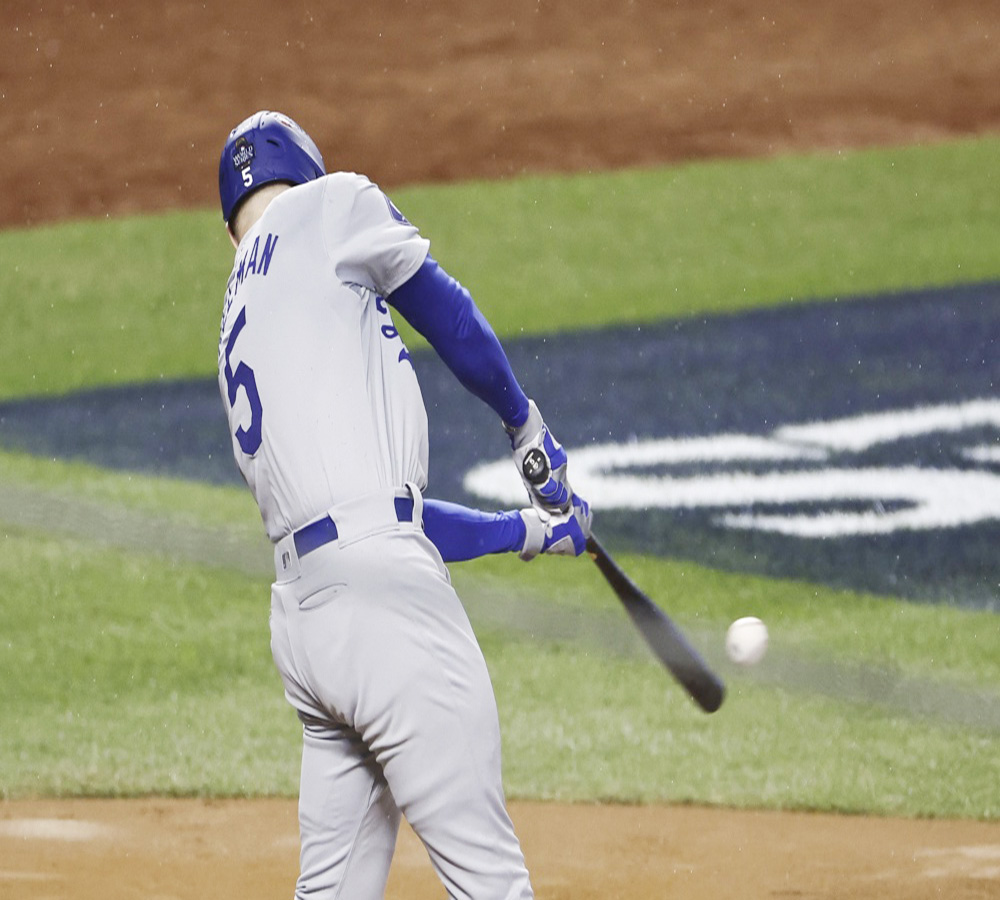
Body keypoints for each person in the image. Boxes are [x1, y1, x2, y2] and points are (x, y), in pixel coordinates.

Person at [216, 110, 592, 900]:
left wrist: (527, 531)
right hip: (387, 612)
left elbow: (377, 518)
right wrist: (528, 430)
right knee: (490, 881)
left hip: (308, 627)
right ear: (310, 176)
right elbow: (446, 312)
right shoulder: (332, 206)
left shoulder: (238, 318)